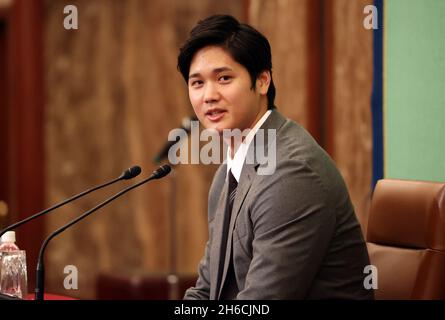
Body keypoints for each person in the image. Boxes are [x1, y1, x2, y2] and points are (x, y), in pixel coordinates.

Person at [177, 14, 373, 300]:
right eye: (197, 83)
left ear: (262, 81)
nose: (209, 95)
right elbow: (206, 291)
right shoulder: (228, 173)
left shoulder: (291, 172)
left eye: (224, 78)